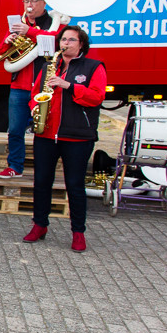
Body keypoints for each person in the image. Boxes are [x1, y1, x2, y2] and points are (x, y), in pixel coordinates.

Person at [22, 26, 106, 253]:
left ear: (81, 44)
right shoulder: (49, 66)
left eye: (71, 40)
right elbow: (35, 94)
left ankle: (78, 232)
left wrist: (67, 85)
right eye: (63, 39)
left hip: (77, 137)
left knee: (75, 185)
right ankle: (39, 225)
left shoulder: (94, 67)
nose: (65, 43)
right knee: (41, 182)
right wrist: (35, 108)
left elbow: (97, 97)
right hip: (46, 134)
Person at [0, 0, 56, 179]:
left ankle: (45, 169)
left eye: (34, 1)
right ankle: (15, 166)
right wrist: (8, 41)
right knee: (15, 130)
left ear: (43, 3)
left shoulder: (53, 23)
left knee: (44, 129)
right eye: (26, 1)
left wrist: (30, 32)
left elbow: (57, 42)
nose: (29, 5)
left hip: (43, 86)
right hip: (19, 86)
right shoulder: (17, 24)